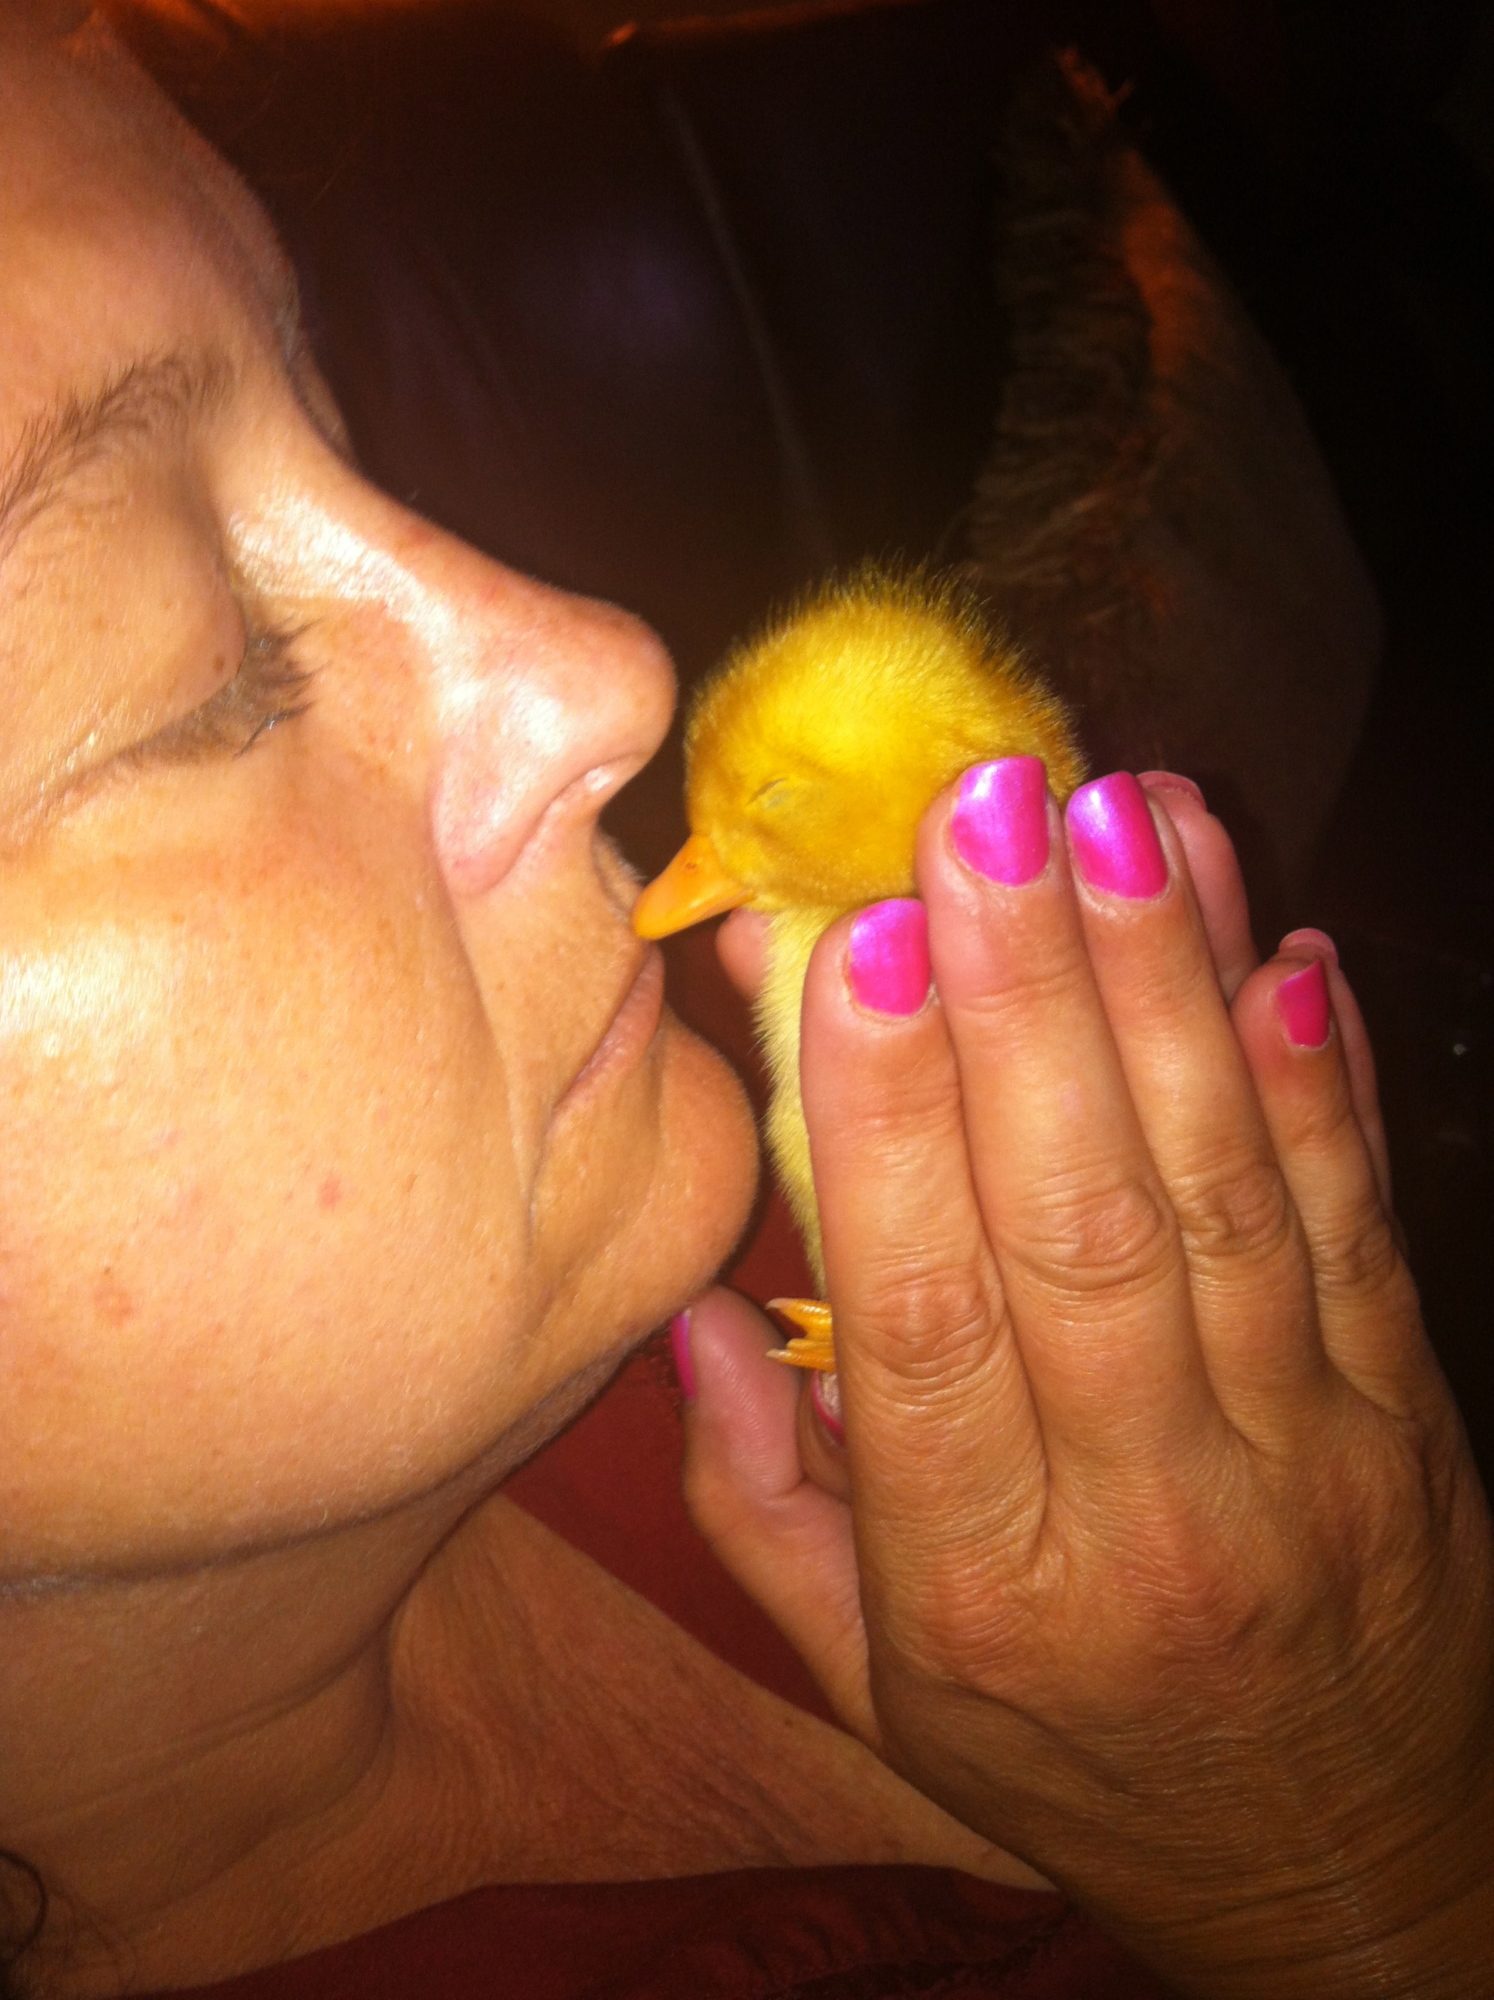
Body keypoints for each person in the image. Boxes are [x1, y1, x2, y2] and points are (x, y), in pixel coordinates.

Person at [1, 7, 1489, 1997]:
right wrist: (1365, 1883)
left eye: (337, 418)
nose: (610, 668)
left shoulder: (880, 1183)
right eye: (200, 678)